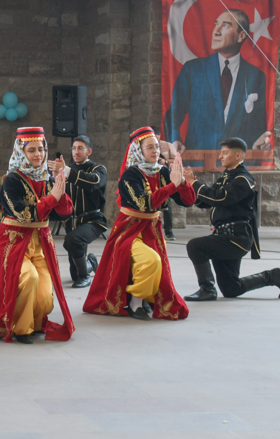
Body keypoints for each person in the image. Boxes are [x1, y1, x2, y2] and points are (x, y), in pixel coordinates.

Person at [83, 126, 198, 320]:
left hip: (152, 229)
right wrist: (172, 185)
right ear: (139, 150)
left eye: (156, 147)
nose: (155, 151)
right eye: (150, 147)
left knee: (154, 263)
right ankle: (135, 303)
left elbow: (188, 201)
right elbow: (145, 203)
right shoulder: (130, 175)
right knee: (150, 260)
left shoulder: (162, 171)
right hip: (129, 228)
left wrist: (183, 183)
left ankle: (142, 298)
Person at [0, 126, 75, 343]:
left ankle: (34, 321)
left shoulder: (47, 178)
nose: (37, 154)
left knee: (45, 296)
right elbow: (24, 215)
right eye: (31, 150)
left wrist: (60, 183)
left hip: (40, 241)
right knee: (29, 279)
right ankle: (20, 327)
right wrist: (52, 197)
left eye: (40, 149)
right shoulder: (12, 180)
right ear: (21, 152)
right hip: (14, 241)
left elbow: (66, 212)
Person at [184, 137, 280, 300]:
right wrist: (187, 187)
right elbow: (207, 201)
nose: (220, 157)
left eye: (225, 153)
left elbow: (220, 198)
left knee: (195, 246)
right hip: (225, 236)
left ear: (238, 156)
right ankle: (272, 276)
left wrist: (195, 183)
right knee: (231, 288)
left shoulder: (243, 180)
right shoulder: (228, 177)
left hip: (235, 237)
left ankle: (207, 289)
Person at [164, 8, 272, 152]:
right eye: (216, 24)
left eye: (225, 25)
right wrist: (175, 140)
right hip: (198, 161)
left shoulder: (256, 76)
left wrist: (258, 145)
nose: (216, 31)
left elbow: (258, 126)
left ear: (241, 36)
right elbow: (173, 115)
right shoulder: (193, 70)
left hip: (238, 163)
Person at [63, 134, 106, 288]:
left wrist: (67, 172)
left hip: (92, 220)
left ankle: (85, 276)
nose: (76, 152)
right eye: (74, 148)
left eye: (80, 148)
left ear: (89, 151)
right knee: (74, 274)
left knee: (72, 240)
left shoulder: (98, 169)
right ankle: (90, 263)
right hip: (72, 222)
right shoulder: (67, 170)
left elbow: (93, 182)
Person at [158, 140, 177, 241]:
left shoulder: (167, 145)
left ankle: (168, 232)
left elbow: (175, 160)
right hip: (150, 179)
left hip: (163, 179)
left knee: (167, 207)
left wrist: (165, 161)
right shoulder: (143, 146)